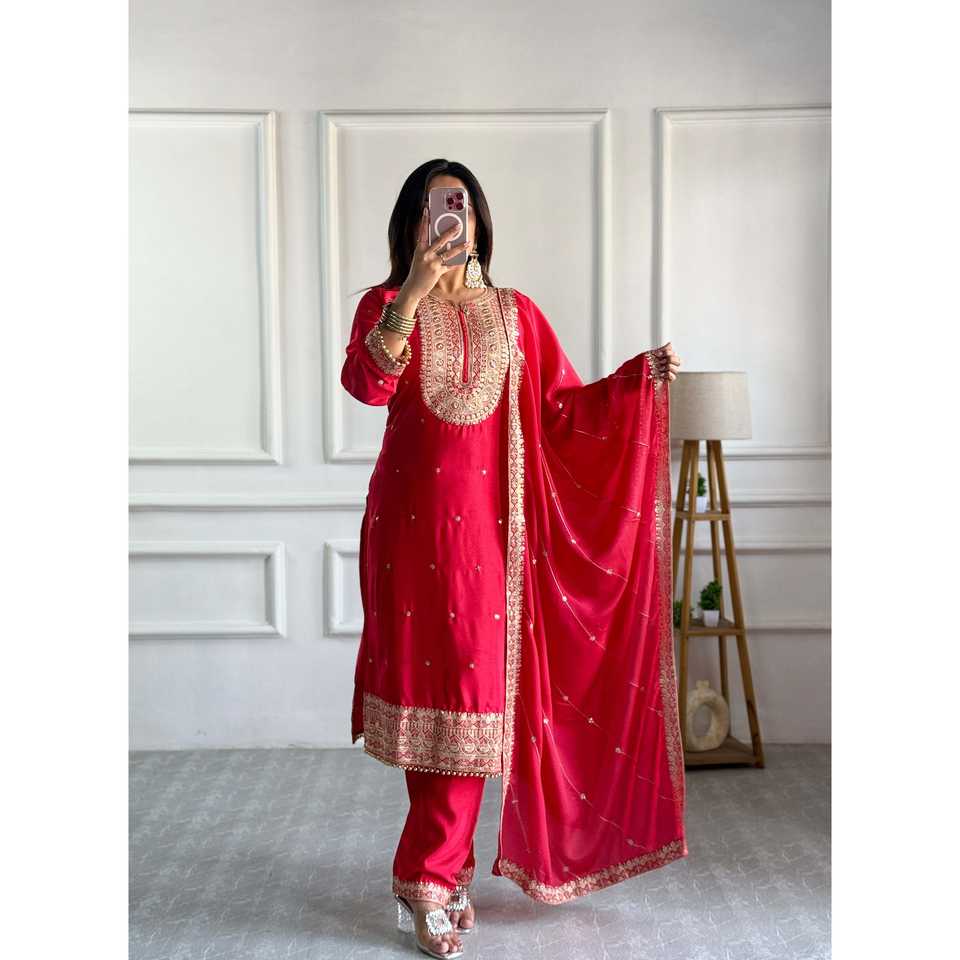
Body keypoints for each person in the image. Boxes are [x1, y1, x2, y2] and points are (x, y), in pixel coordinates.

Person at [341, 159, 685, 958]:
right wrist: (412, 295)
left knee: (471, 701)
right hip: (408, 532)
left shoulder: (516, 314)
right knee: (431, 698)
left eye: (460, 203)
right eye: (435, 207)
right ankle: (435, 875)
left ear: (479, 219)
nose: (449, 217)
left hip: (490, 534)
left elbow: (562, 409)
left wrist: (632, 383)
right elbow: (366, 385)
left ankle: (431, 874)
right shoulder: (383, 303)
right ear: (412, 223)